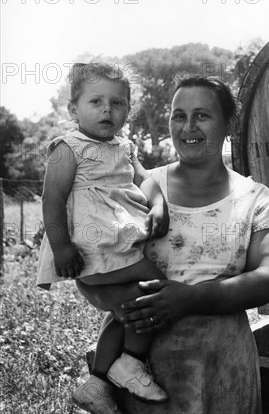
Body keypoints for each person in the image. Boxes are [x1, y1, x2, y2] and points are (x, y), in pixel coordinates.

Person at [79, 73, 269, 413]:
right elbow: (91, 261)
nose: (188, 127)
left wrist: (189, 299)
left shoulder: (255, 197)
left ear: (229, 124)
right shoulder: (136, 188)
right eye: (179, 116)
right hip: (141, 372)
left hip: (224, 367)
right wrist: (122, 303)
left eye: (202, 115)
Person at [37, 62, 171, 414]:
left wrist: (158, 205)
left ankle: (98, 382)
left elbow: (146, 180)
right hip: (90, 249)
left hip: (115, 246)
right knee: (155, 291)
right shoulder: (69, 147)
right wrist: (62, 246)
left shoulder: (124, 148)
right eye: (95, 102)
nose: (107, 110)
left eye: (117, 103)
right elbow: (52, 200)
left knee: (128, 309)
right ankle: (130, 362)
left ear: (128, 109)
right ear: (73, 109)